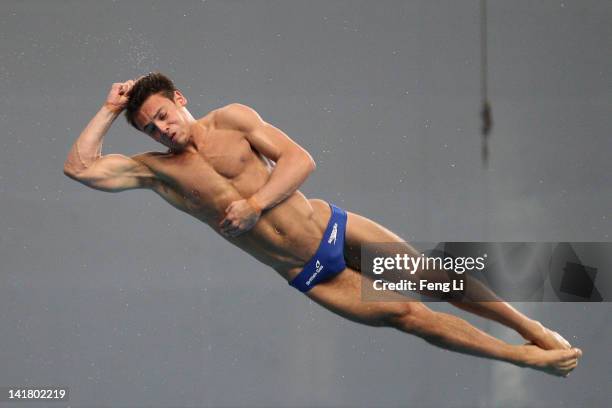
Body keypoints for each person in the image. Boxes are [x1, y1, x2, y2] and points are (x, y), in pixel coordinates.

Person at [64, 73, 581, 377]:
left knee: (434, 277)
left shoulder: (233, 120)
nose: (161, 128)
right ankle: (525, 359)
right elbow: (81, 168)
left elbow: (300, 161)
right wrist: (110, 109)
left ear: (179, 99)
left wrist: (255, 204)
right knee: (408, 315)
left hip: (331, 225)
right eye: (149, 126)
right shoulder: (158, 173)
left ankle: (529, 327)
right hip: (307, 272)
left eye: (162, 113)